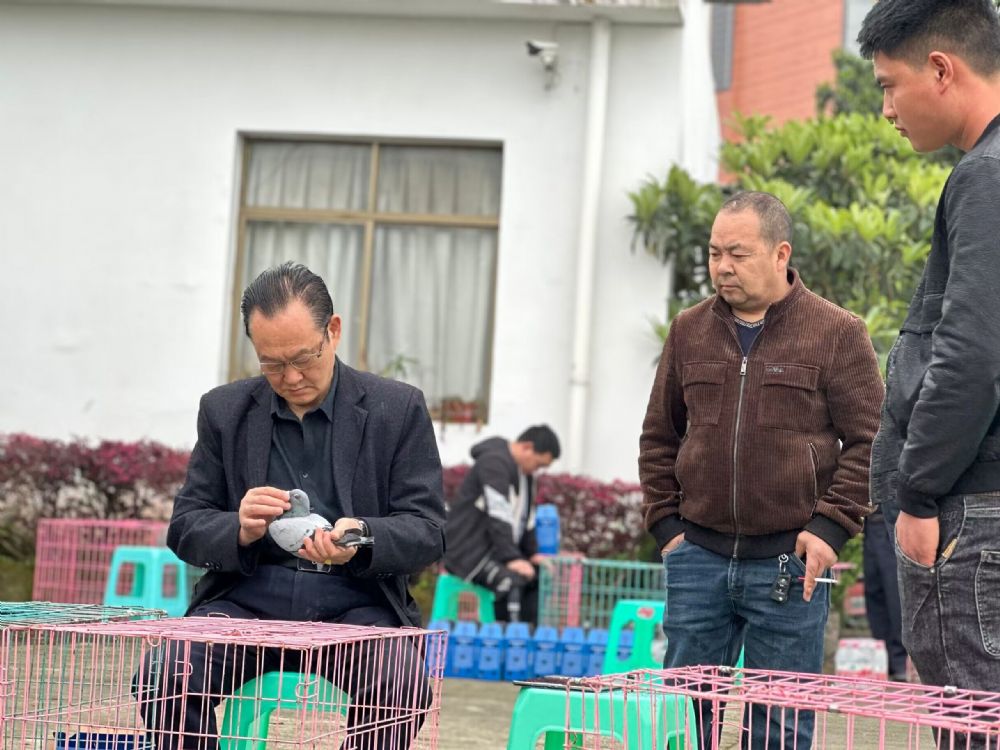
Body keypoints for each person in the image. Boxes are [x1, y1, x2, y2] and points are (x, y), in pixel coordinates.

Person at [141, 262, 446, 750]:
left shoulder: (396, 408)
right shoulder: (224, 411)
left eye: (304, 357)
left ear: (333, 331)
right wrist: (239, 527)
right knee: (165, 674)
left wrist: (362, 537)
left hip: (357, 603)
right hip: (246, 599)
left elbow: (428, 530)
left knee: (401, 686)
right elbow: (186, 526)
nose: (292, 376)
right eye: (272, 364)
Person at [639, 192, 884, 749]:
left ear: (780, 254)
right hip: (697, 557)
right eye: (714, 253)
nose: (722, 266)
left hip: (789, 565)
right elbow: (659, 436)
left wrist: (829, 529)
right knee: (683, 723)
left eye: (738, 254)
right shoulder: (689, 329)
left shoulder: (836, 332)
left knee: (780, 728)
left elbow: (873, 442)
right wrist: (667, 528)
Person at [858, 0, 1000, 717]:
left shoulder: (986, 176)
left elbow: (972, 354)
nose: (886, 108)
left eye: (889, 85)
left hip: (970, 511)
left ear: (941, 70)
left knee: (971, 724)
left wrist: (917, 493)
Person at [443, 425, 560, 623]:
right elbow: (499, 513)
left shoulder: (525, 475)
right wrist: (512, 558)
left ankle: (529, 636)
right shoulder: (494, 462)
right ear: (527, 447)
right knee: (512, 583)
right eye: (539, 464)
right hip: (469, 553)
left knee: (538, 578)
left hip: (496, 552)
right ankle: (503, 637)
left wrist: (532, 553)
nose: (537, 470)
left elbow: (527, 518)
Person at [861, 508, 908, 682]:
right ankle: (882, 656)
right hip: (871, 522)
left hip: (894, 520)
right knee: (874, 591)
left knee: (894, 593)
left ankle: (899, 659)